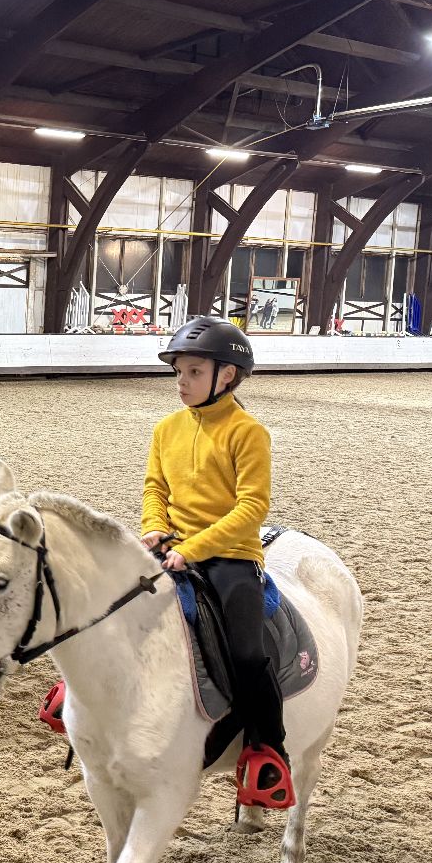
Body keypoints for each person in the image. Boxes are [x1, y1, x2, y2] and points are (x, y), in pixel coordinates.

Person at [141, 316, 293, 809]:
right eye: (178, 372)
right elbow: (155, 488)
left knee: (247, 652)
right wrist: (153, 526)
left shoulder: (248, 433)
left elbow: (253, 508)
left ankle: (269, 749)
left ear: (225, 375)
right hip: (173, 545)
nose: (181, 382)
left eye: (193, 372)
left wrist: (193, 548)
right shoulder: (166, 429)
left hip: (230, 556)